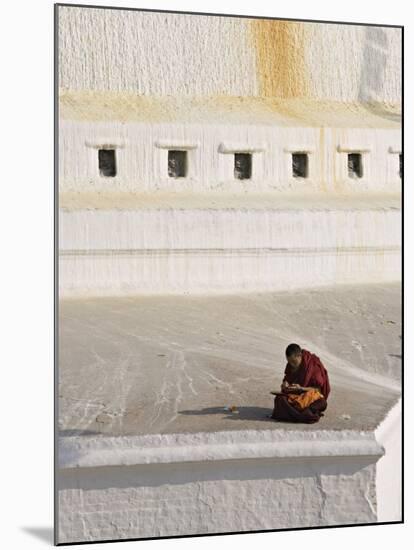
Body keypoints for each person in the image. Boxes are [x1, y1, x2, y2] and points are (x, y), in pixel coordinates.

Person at [270, 343, 330, 424]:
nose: (292, 365)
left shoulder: (312, 363)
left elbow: (319, 390)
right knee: (279, 399)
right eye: (289, 362)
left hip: (309, 398)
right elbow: (287, 380)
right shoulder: (290, 365)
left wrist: (301, 388)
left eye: (294, 362)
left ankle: (296, 415)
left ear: (300, 356)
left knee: (322, 403)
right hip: (297, 399)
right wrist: (285, 385)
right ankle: (303, 415)